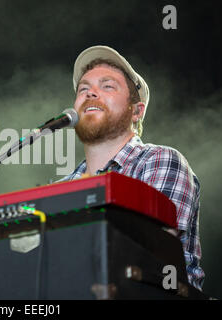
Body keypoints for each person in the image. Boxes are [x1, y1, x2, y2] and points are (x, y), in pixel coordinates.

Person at [57, 45, 205, 290]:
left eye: (107, 86)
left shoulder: (159, 161)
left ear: (136, 111)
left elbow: (150, 254)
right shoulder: (60, 188)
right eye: (84, 88)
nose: (91, 93)